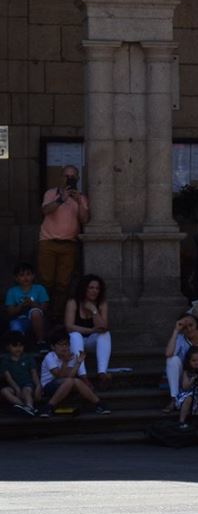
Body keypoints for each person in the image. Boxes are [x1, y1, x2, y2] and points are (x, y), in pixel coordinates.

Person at [37, 163, 89, 300]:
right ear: (61, 177)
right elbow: (45, 210)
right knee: (45, 281)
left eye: (72, 177)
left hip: (69, 244)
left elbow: (84, 220)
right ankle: (42, 313)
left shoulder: (81, 198)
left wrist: (79, 202)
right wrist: (61, 199)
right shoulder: (51, 193)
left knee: (63, 283)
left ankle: (57, 315)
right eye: (66, 176)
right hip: (48, 242)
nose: (69, 179)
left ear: (77, 179)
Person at [62, 273, 113, 385]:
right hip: (74, 343)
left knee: (105, 334)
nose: (95, 291)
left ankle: (102, 373)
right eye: (91, 288)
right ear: (84, 288)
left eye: (97, 288)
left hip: (91, 342)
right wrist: (91, 330)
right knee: (75, 335)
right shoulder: (73, 302)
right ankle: (83, 375)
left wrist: (94, 310)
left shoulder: (101, 303)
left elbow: (103, 327)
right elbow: (69, 326)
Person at [40, 337, 106, 415]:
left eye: (66, 345)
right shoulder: (50, 357)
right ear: (53, 347)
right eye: (60, 345)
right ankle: (48, 407)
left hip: (64, 385)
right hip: (48, 386)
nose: (64, 347)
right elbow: (59, 375)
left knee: (76, 381)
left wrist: (78, 363)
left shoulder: (70, 356)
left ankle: (99, 404)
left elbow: (69, 375)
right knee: (71, 381)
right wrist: (65, 361)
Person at [2, 329, 42, 417]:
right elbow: (8, 377)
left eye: (20, 345)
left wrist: (38, 386)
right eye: (14, 346)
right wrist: (16, 388)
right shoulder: (5, 360)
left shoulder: (28, 358)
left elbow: (34, 374)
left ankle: (30, 407)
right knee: (4, 391)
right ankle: (23, 407)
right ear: (8, 347)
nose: (18, 348)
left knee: (26, 391)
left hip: (27, 384)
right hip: (13, 386)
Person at [6, 263, 50, 346]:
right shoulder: (12, 291)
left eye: (28, 274)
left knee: (35, 312)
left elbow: (44, 309)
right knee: (15, 327)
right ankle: (19, 347)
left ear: (33, 276)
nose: (26, 278)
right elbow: (10, 312)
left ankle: (41, 342)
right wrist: (21, 305)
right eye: (21, 275)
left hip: (39, 320)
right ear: (16, 278)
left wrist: (32, 304)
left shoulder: (39, 288)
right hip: (20, 319)